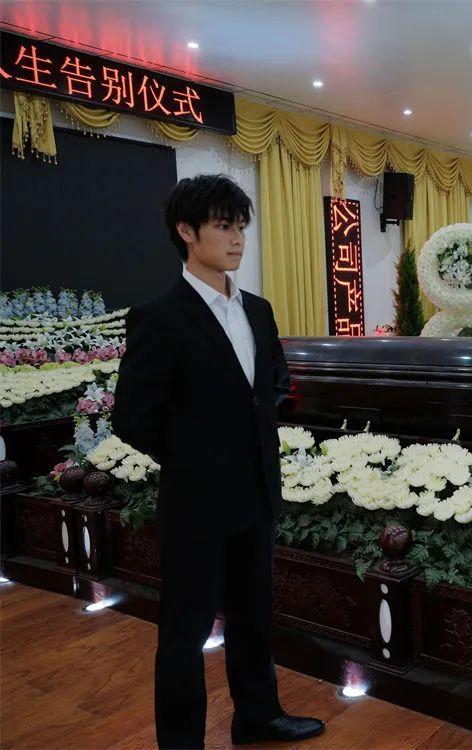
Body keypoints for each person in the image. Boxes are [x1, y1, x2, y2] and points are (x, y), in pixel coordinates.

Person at [112, 175, 324, 749]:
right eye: (223, 226)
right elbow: (131, 417)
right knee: (185, 632)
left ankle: (258, 717)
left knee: (254, 618)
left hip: (256, 495)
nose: (237, 240)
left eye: (241, 227)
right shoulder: (160, 317)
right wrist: (195, 458)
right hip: (196, 503)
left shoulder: (258, 310)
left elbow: (272, 385)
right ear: (187, 231)